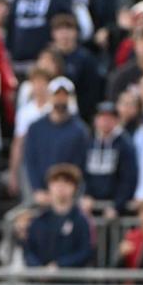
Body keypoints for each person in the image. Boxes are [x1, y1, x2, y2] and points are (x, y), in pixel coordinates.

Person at [22, 77, 90, 205]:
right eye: (57, 95)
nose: (60, 99)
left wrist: (68, 191)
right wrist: (37, 190)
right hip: (40, 196)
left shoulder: (80, 130)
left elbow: (81, 164)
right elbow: (30, 160)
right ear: (49, 96)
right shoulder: (35, 128)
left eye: (64, 95)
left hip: (69, 196)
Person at [23, 164, 94, 268]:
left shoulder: (81, 221)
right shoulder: (39, 220)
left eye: (67, 182)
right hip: (40, 277)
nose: (61, 186)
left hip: (71, 276)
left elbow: (85, 252)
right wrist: (39, 269)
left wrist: (60, 265)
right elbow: (29, 251)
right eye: (56, 181)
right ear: (49, 186)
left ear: (75, 188)